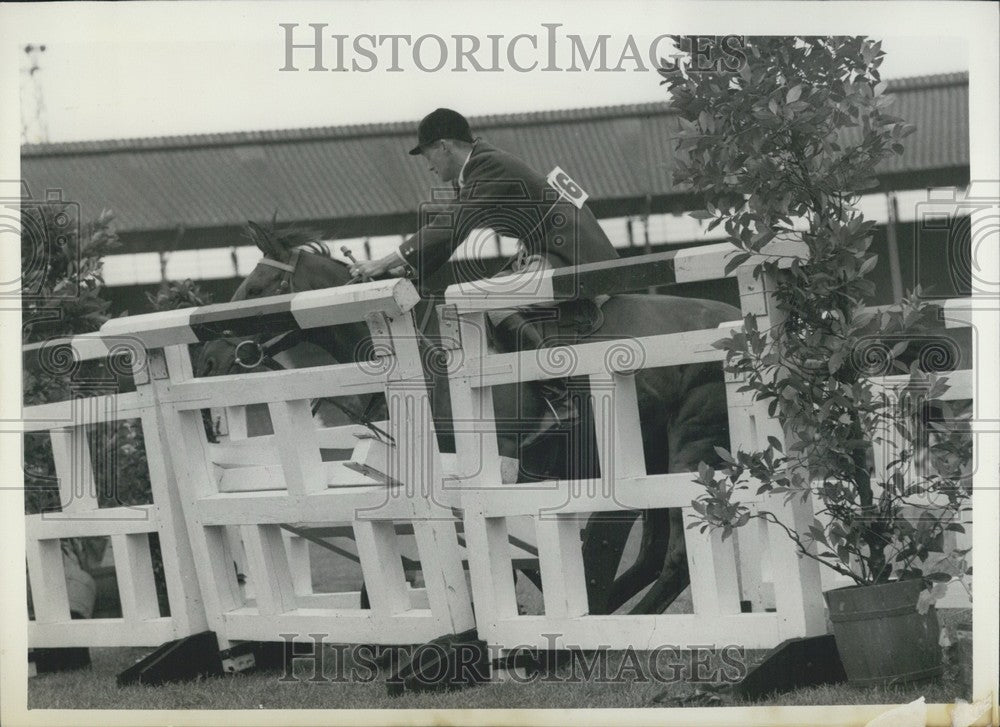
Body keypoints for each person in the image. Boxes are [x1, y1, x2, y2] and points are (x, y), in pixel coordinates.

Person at [349, 107, 619, 445]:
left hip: (571, 251)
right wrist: (407, 270)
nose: (428, 165)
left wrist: (384, 260)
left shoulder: (487, 166)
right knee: (481, 292)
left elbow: (450, 225)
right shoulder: (479, 170)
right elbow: (454, 235)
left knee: (493, 303)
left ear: (445, 145)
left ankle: (562, 398)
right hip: (550, 246)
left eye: (428, 154)